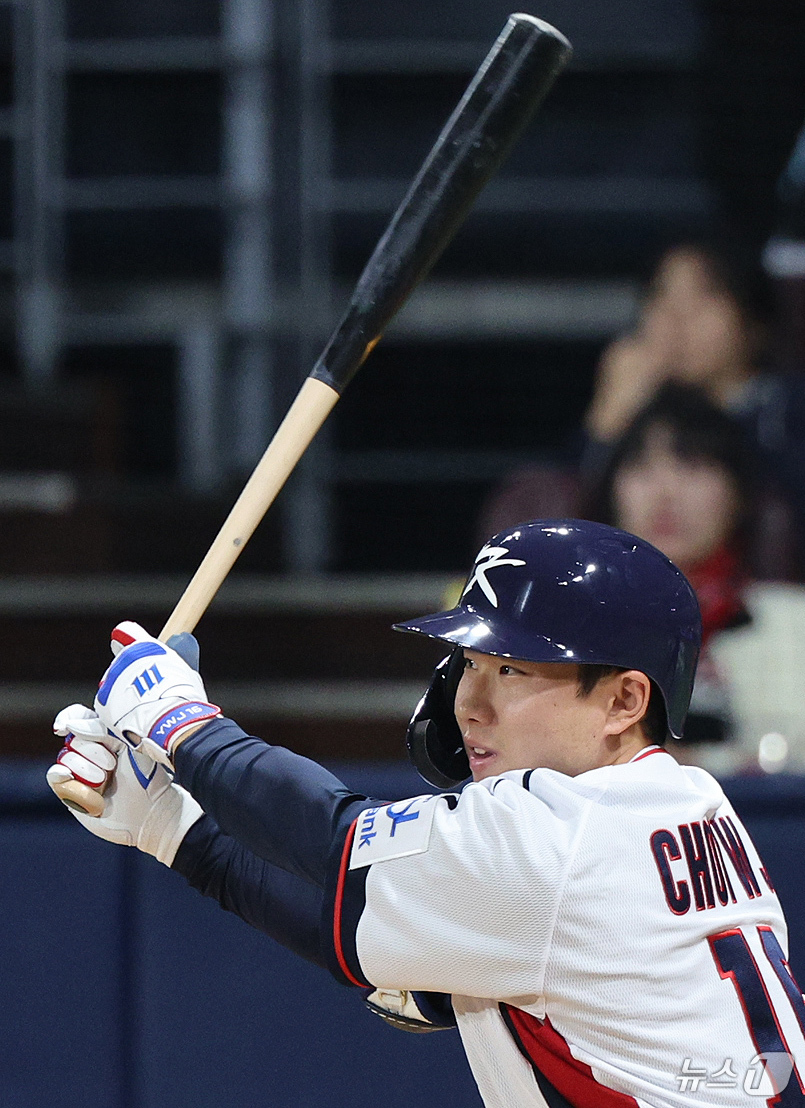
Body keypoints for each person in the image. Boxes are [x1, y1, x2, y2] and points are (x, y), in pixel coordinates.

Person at [47, 520, 805, 1107]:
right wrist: (174, 829)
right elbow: (360, 935)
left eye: (509, 669)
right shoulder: (678, 802)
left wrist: (181, 724)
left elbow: (334, 839)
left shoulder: (564, 832)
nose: (469, 704)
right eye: (470, 665)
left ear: (622, 700)